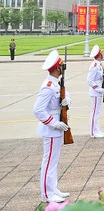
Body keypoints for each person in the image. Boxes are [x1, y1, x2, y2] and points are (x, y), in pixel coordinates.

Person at [33, 50, 71, 202]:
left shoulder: (56, 83)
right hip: (52, 128)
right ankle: (46, 194)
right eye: (61, 65)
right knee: (48, 162)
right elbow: (37, 110)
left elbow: (66, 95)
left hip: (59, 126)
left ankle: (52, 188)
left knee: (53, 162)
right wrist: (54, 123)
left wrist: (67, 100)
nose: (63, 67)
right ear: (57, 68)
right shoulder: (48, 86)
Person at [87, 45, 104, 138]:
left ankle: (97, 129)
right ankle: (92, 132)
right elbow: (89, 80)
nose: (103, 54)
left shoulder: (98, 64)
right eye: (102, 53)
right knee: (94, 112)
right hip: (95, 92)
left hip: (98, 91)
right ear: (99, 55)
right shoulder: (94, 66)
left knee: (97, 112)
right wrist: (98, 89)